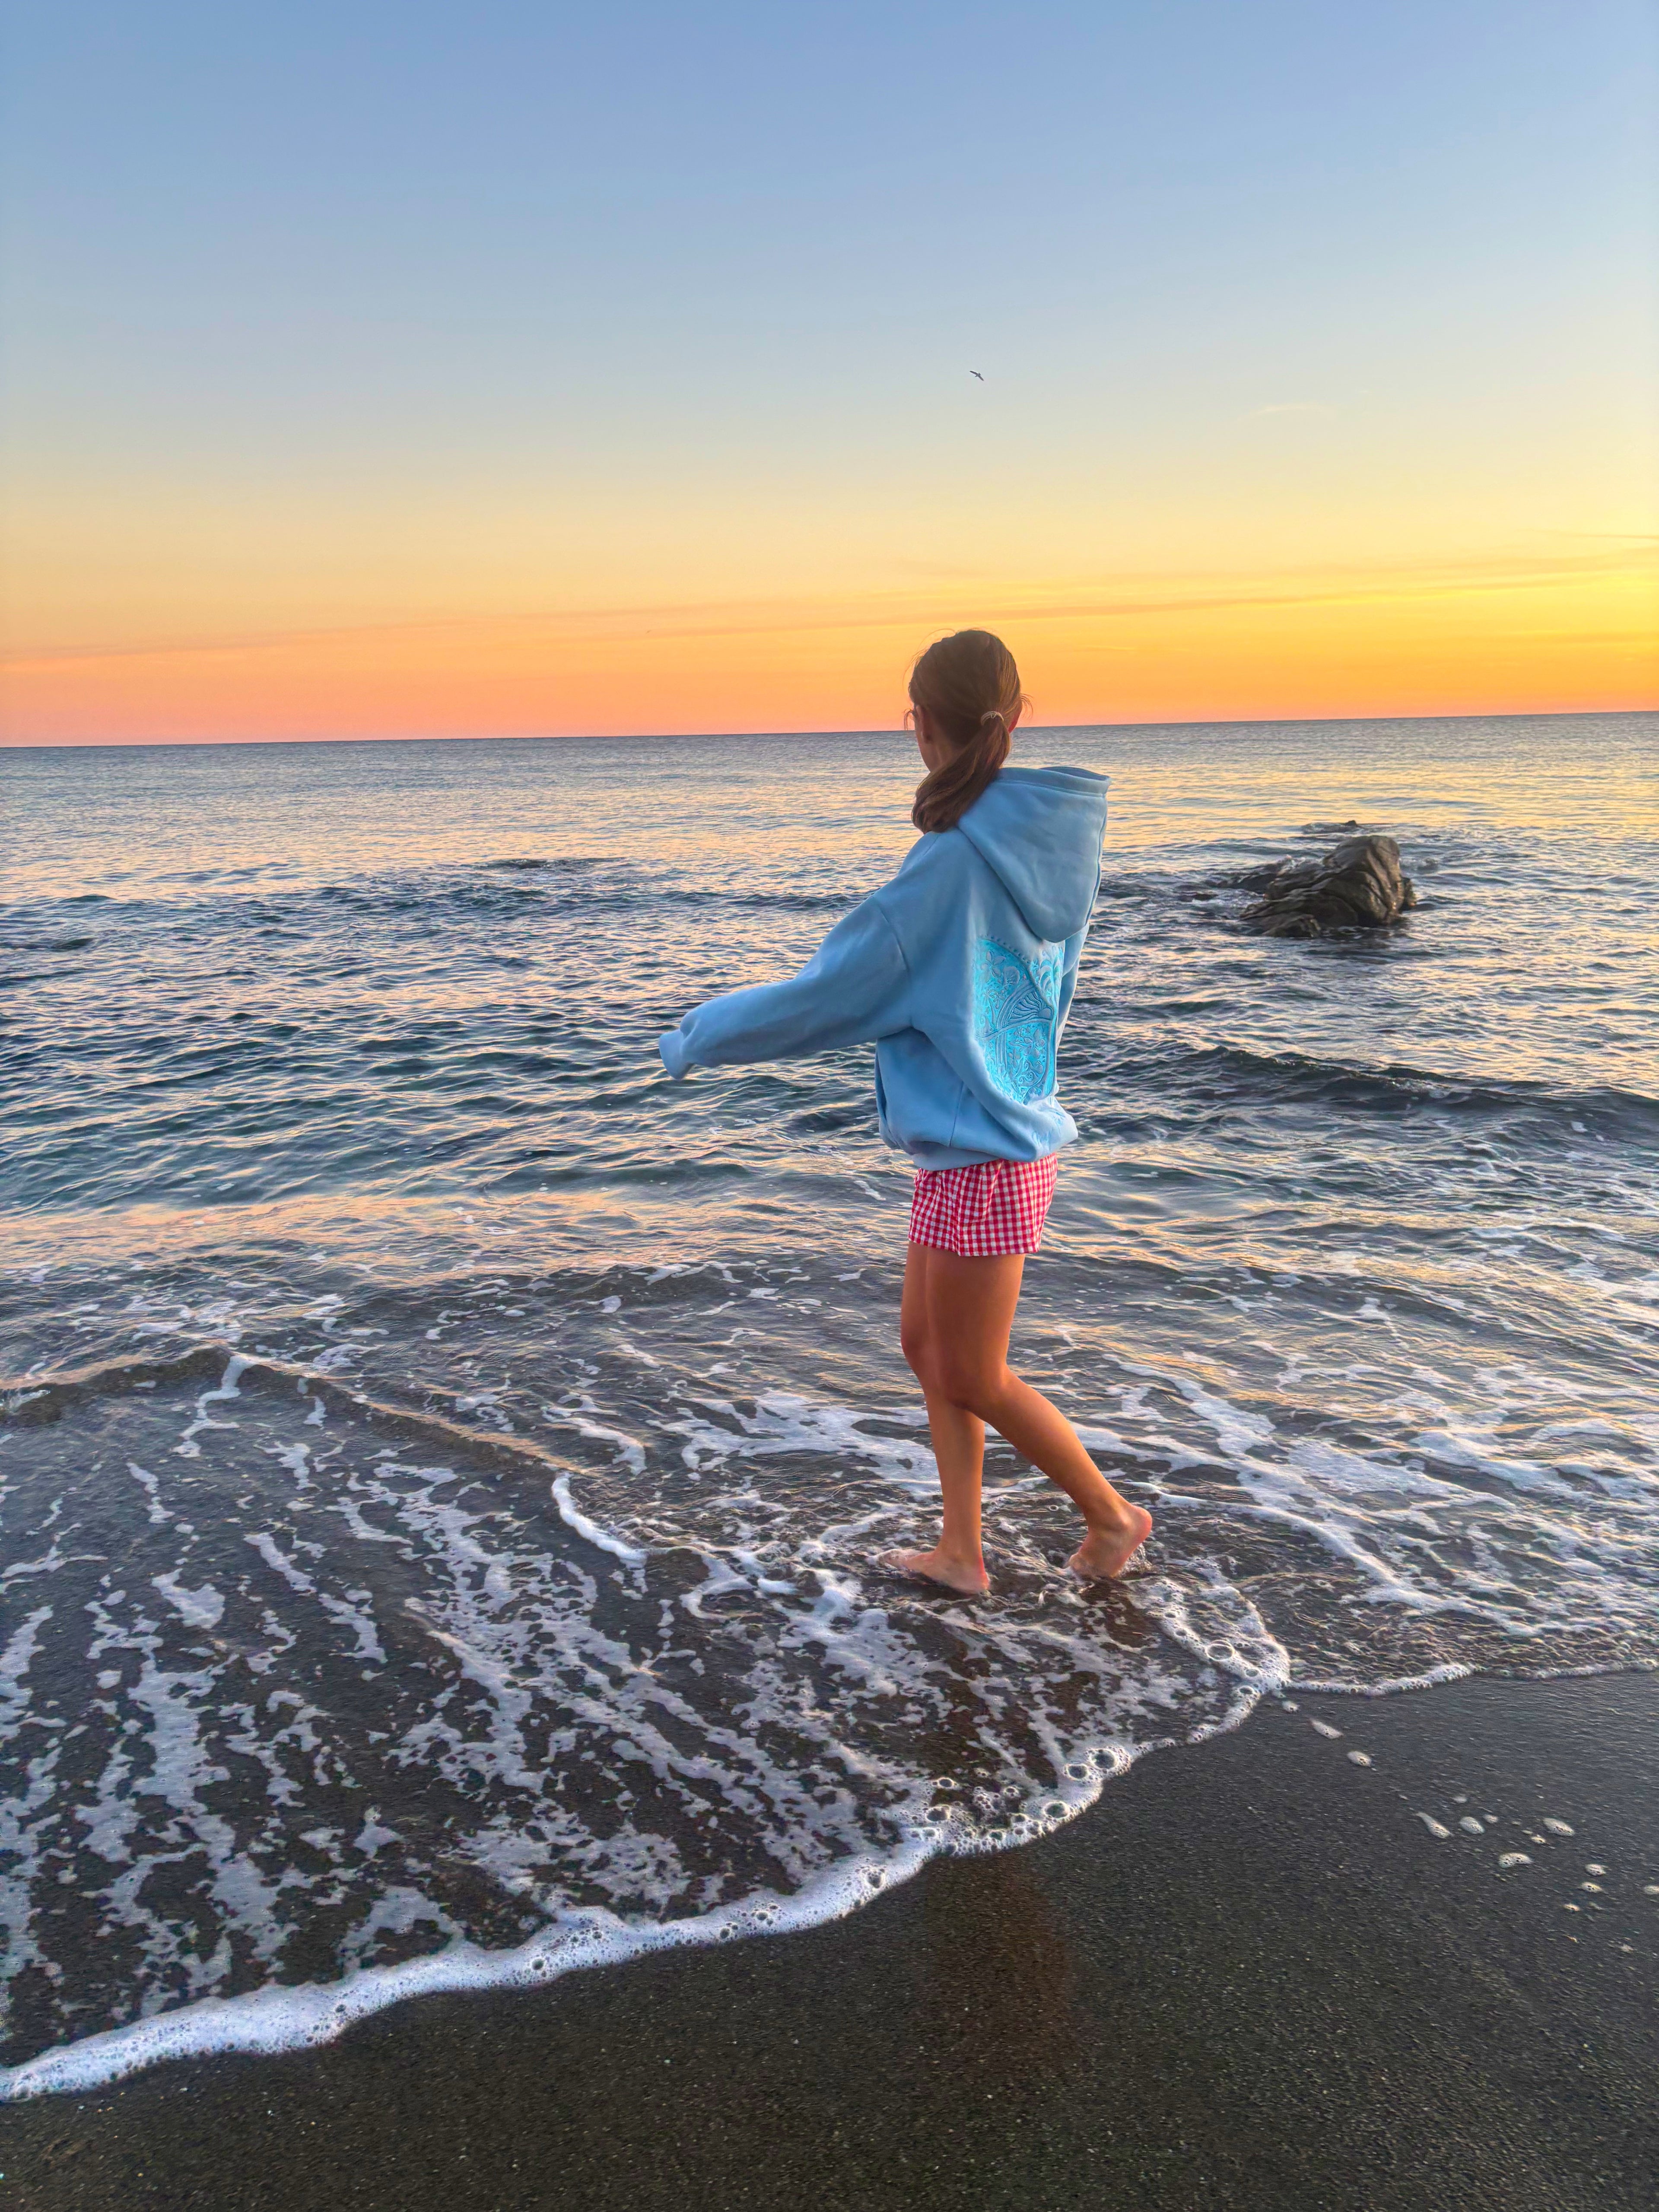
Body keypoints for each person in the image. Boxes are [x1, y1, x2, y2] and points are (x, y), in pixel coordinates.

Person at [658, 629, 1153, 1595]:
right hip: (981, 1135)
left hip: (988, 1146)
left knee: (974, 1372)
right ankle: (961, 1551)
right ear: (1014, 720)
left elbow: (832, 993)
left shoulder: (949, 869)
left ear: (920, 725)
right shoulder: (1043, 848)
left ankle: (1111, 1512)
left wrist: (698, 1035)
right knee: (929, 1350)